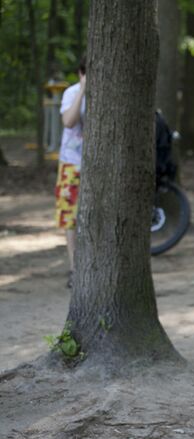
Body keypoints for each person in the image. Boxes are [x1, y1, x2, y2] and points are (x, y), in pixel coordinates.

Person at [55, 56, 86, 287]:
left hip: (96, 166)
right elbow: (68, 121)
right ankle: (75, 268)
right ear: (80, 73)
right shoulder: (71, 93)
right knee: (70, 218)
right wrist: (83, 90)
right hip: (71, 163)